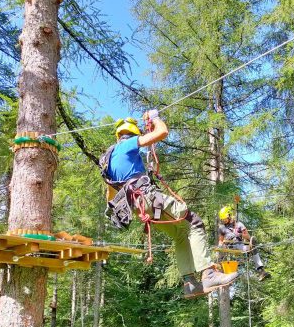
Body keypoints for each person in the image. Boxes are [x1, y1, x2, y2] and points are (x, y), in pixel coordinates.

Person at [100, 111, 239, 299]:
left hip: (139, 206)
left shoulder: (107, 160)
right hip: (149, 198)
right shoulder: (126, 145)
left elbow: (112, 194)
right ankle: (209, 274)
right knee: (195, 223)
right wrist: (155, 117)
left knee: (182, 234)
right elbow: (162, 132)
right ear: (131, 135)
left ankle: (190, 283)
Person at [218, 205, 270, 281]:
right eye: (222, 220)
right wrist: (220, 247)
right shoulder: (222, 228)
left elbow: (248, 237)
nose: (224, 221)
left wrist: (239, 234)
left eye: (225, 219)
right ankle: (219, 270)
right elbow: (220, 241)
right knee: (222, 251)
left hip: (239, 245)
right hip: (228, 246)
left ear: (229, 216)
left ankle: (261, 271)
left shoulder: (239, 225)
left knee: (252, 246)